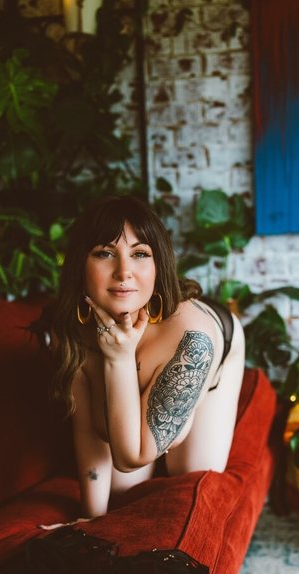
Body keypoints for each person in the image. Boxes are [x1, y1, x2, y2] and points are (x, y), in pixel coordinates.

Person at [37, 195, 245, 521]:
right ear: (80, 264)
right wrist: (90, 519)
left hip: (215, 343)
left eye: (140, 254)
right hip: (134, 373)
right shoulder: (69, 327)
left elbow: (130, 457)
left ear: (158, 264)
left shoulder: (193, 340)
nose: (124, 272)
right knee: (122, 493)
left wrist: (118, 358)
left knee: (189, 477)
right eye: (105, 253)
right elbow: (87, 430)